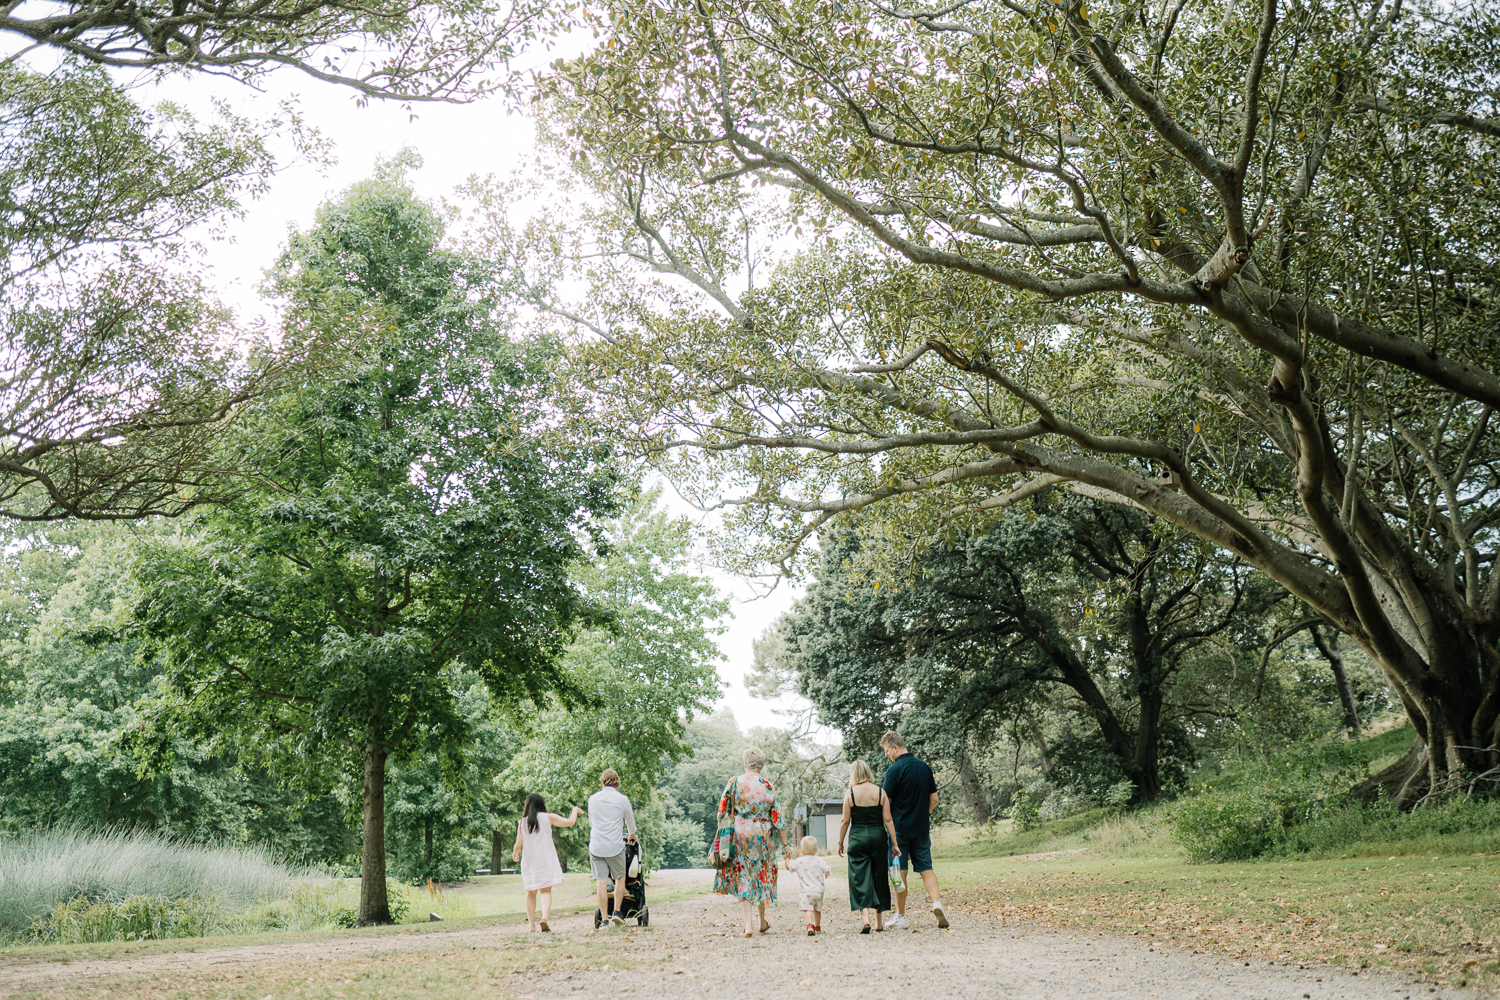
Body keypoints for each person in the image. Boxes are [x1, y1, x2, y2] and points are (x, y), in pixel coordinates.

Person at [712, 746, 788, 937]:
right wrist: (786, 845)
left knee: (743, 875)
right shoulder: (767, 785)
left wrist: (724, 832)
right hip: (762, 837)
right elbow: (778, 818)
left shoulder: (734, 782)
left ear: (745, 763)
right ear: (761, 765)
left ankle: (748, 926)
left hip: (739, 836)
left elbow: (721, 812)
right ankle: (762, 921)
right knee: (760, 875)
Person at [881, 730, 948, 929]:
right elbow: (934, 799)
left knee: (899, 871)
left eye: (886, 750)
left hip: (898, 831)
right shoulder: (924, 767)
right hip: (921, 829)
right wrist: (921, 816)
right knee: (926, 868)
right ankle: (937, 902)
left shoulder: (894, 771)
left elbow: (886, 802)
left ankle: (900, 916)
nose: (886, 755)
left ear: (895, 747)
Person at [836, 759, 901, 933]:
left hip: (857, 838)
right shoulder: (881, 792)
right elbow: (888, 820)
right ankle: (878, 922)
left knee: (860, 876)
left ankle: (865, 919)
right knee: (878, 875)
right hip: (878, 837)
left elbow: (845, 820)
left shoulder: (850, 793)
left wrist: (840, 842)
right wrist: (894, 843)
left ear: (854, 774)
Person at [512, 792, 579, 933]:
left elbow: (518, 843)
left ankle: (531, 926)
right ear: (541, 804)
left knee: (530, 892)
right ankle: (544, 917)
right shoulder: (548, 817)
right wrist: (574, 810)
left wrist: (515, 853)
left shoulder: (523, 822)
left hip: (530, 861)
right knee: (546, 891)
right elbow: (570, 822)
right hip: (545, 859)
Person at [587, 768, 637, 928]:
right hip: (615, 846)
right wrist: (632, 835)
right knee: (620, 878)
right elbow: (631, 824)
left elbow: (591, 823)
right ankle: (616, 912)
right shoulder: (622, 799)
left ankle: (604, 920)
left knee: (601, 882)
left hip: (596, 846)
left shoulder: (593, 799)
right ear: (617, 781)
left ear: (602, 781)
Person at [784, 835, 831, 936]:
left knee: (808, 909)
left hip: (806, 891)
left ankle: (810, 925)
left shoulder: (799, 861)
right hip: (819, 891)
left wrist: (786, 859)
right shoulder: (820, 860)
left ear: (802, 850)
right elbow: (828, 869)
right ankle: (817, 927)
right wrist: (826, 873)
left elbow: (789, 867)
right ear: (816, 849)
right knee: (817, 909)